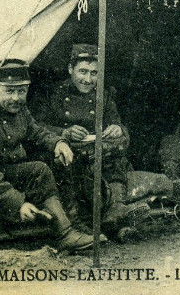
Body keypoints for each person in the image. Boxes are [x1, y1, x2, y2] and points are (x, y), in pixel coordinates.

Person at [0, 59, 94, 253]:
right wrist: (18, 204)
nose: (16, 98)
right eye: (9, 91)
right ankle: (65, 234)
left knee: (47, 166)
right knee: (39, 170)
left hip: (10, 172)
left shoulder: (19, 109)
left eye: (22, 91)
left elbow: (37, 132)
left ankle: (71, 227)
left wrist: (59, 143)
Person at [36, 44, 150, 232]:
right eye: (83, 71)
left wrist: (117, 129)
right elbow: (36, 127)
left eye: (94, 73)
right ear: (70, 69)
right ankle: (81, 220)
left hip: (97, 155)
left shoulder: (103, 96)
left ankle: (115, 208)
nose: (88, 79)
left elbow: (119, 126)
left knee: (116, 158)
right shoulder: (53, 94)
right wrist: (64, 132)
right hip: (67, 154)